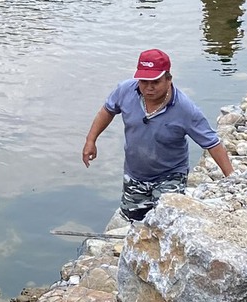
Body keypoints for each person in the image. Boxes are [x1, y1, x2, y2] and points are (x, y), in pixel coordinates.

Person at [81, 48, 234, 221]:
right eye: (144, 81)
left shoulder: (185, 109)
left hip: (170, 174)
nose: (149, 87)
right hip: (135, 174)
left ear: (168, 80)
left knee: (165, 221)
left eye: (155, 81)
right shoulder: (125, 90)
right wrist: (91, 140)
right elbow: (107, 111)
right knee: (134, 222)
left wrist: (232, 179)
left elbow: (211, 142)